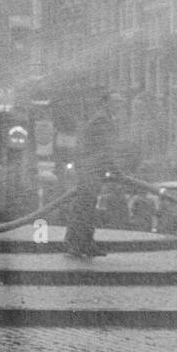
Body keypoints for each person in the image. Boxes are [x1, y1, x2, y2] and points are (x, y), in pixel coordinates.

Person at [64, 92, 122, 259]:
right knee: (83, 208)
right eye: (115, 102)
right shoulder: (102, 120)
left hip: (92, 169)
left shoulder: (105, 119)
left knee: (87, 208)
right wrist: (116, 170)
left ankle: (85, 244)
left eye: (120, 103)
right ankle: (75, 244)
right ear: (105, 103)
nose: (119, 106)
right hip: (90, 170)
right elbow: (104, 149)